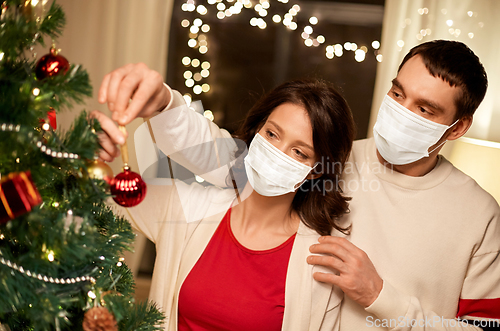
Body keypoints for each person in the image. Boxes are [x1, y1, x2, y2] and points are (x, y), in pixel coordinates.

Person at [97, 40, 500, 330]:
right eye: (398, 93)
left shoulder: (478, 215)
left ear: (458, 127)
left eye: (424, 108)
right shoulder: (330, 159)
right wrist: (165, 105)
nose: (401, 111)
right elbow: (228, 159)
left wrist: (380, 296)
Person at [95, 79, 357, 330]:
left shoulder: (317, 265)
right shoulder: (188, 207)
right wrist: (88, 153)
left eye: (299, 152)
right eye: (272, 134)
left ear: (314, 171)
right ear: (257, 132)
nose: (278, 152)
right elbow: (99, 201)